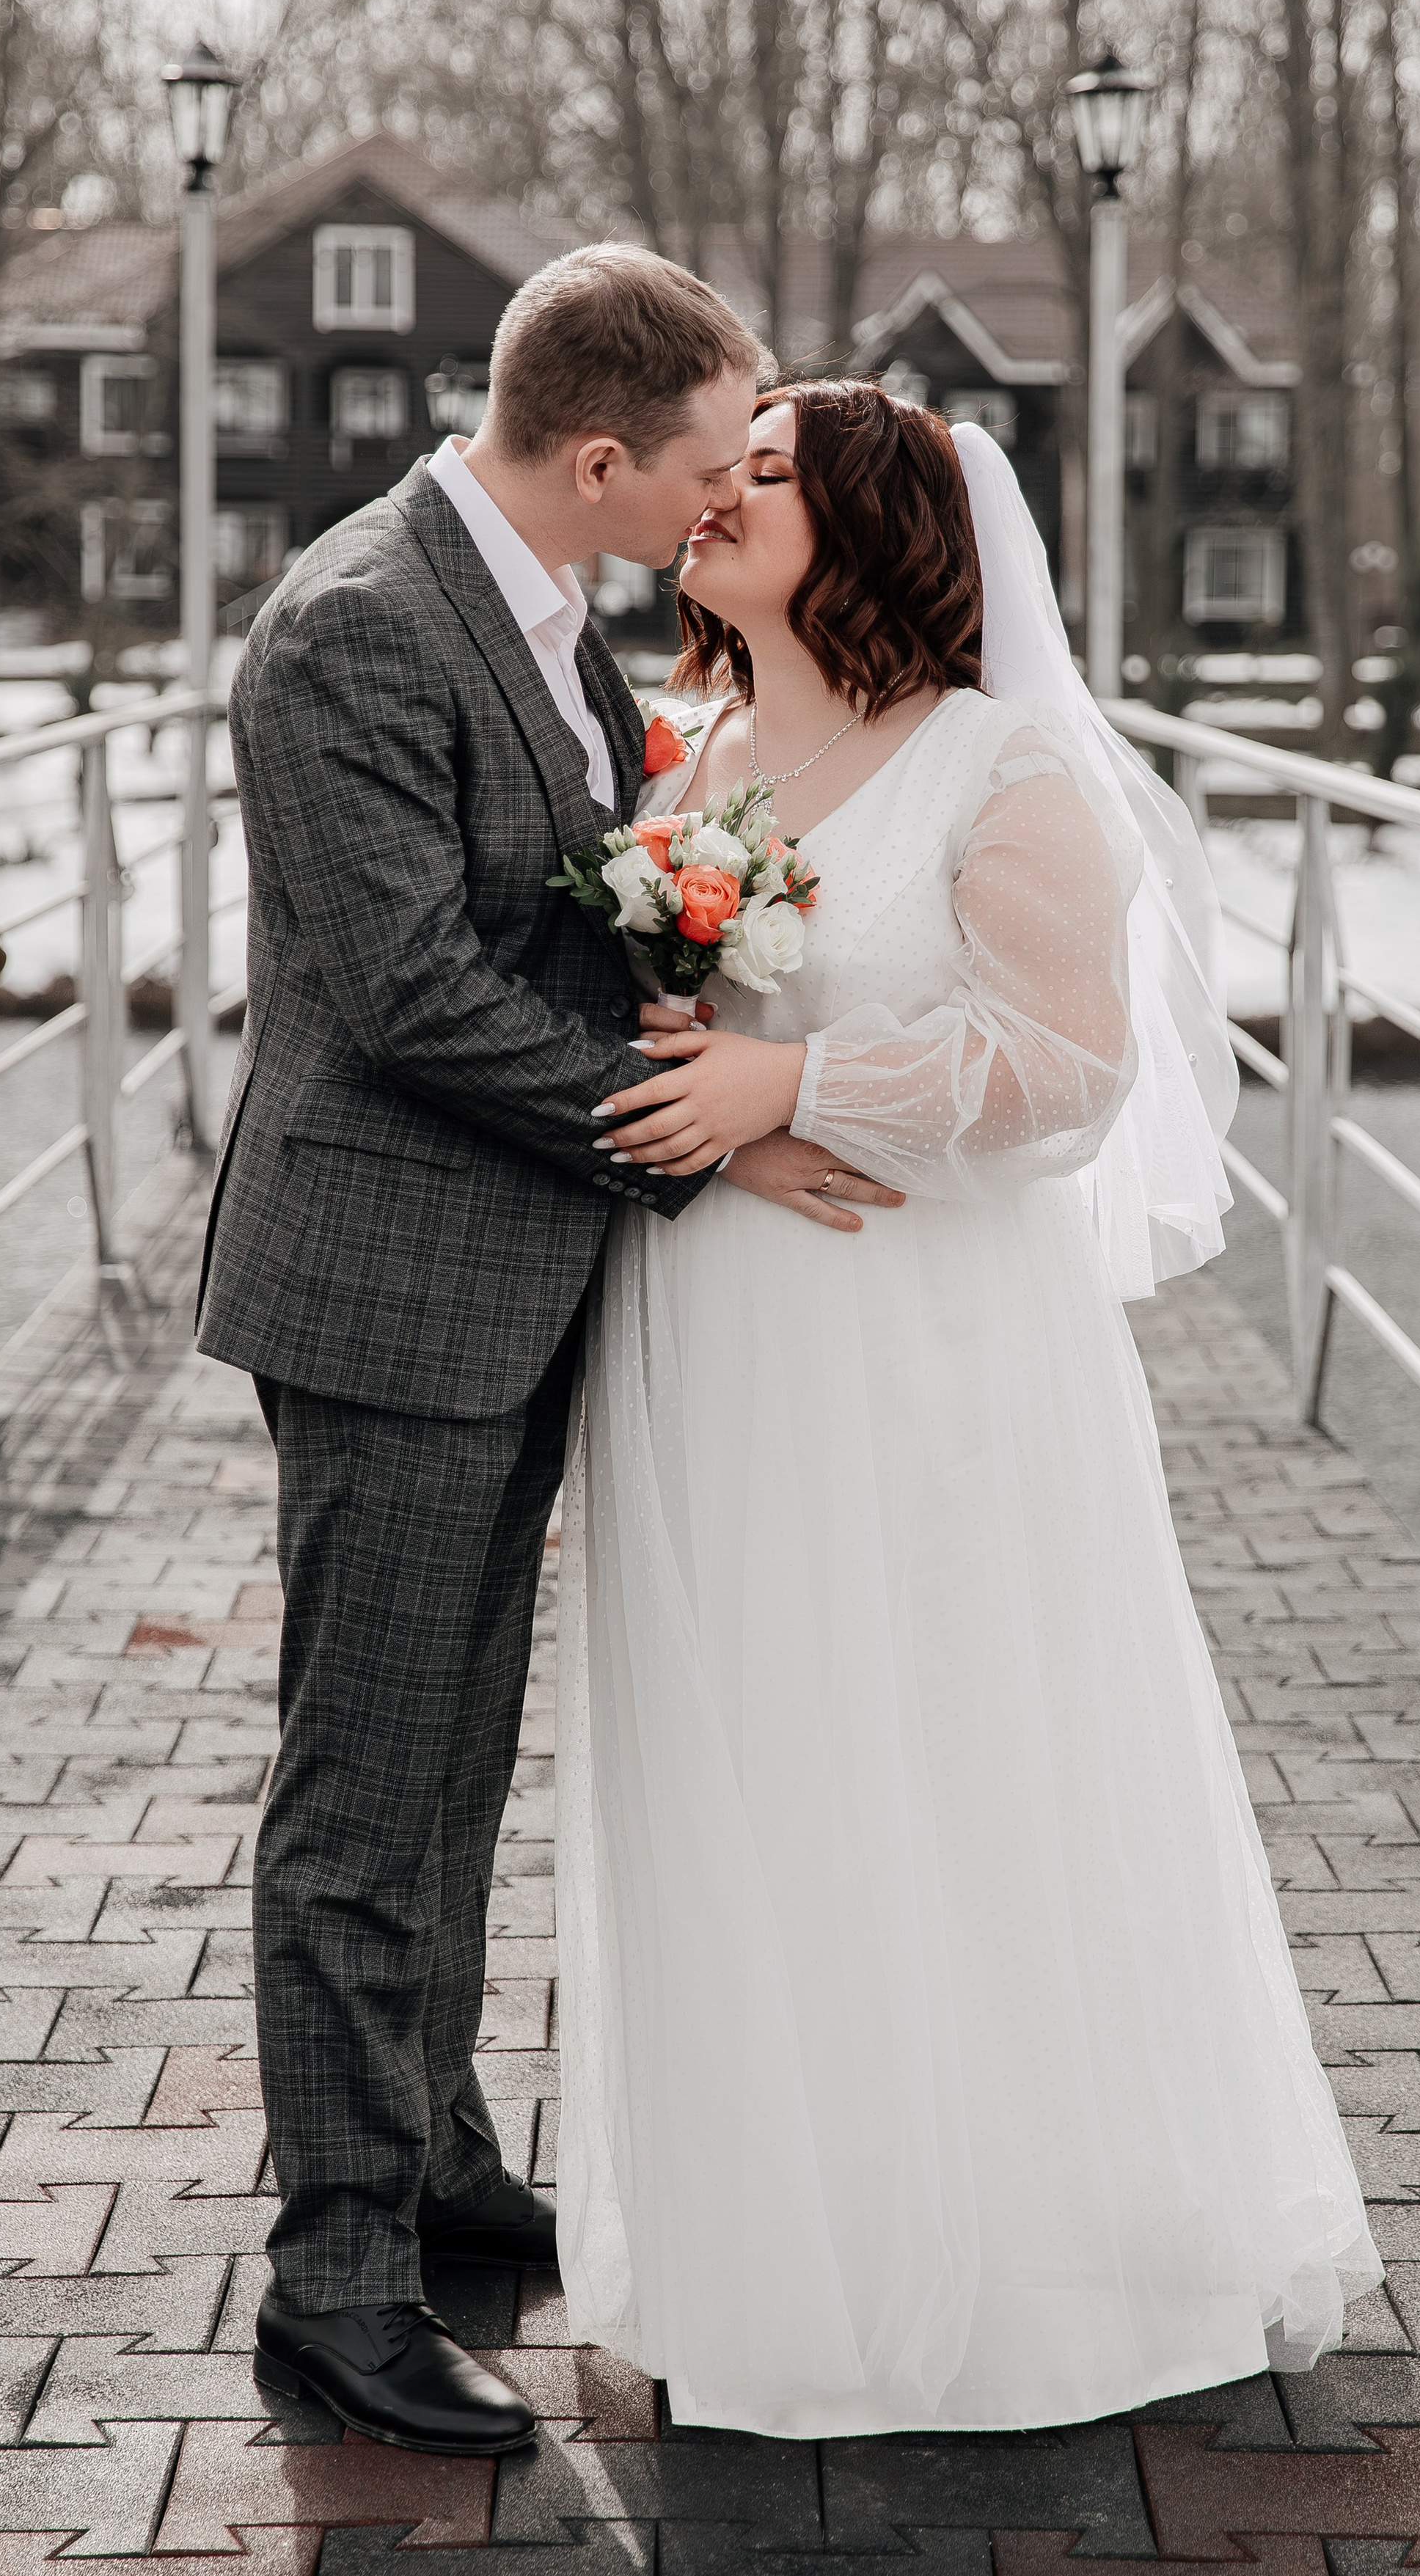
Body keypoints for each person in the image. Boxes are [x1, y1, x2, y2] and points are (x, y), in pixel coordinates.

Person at [555, 379, 1383, 2437]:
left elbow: (1070, 1066)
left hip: (927, 1349)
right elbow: (660, 1020)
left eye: (760, 479)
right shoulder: (692, 750)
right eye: (711, 477)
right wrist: (715, 1102)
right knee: (753, 1755)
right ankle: (786, 2231)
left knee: (943, 1738)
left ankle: (1008, 2244)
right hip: (711, 1333)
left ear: (869, 528)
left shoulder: (1004, 765)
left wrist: (798, 1084)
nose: (709, 501)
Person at [196, 251, 904, 2458]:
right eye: (708, 464)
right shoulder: (355, 631)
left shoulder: (537, 597)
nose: (719, 503)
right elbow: (409, 990)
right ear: (601, 456)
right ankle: (334, 2275)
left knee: (457, 1758)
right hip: (390, 1290)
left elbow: (573, 896)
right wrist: (690, 1137)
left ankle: (434, 2150)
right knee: (360, 1791)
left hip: (501, 1281)